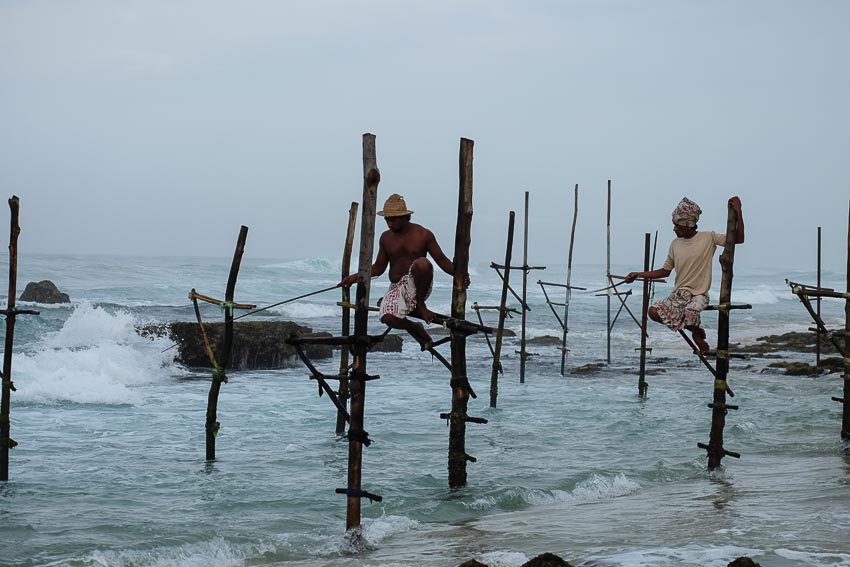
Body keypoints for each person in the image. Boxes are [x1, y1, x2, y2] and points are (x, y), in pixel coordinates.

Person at [341, 193, 470, 349]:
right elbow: (378, 268)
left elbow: (442, 260)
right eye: (387, 220)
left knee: (422, 263)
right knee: (387, 317)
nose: (389, 223)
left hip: (419, 284)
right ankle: (414, 327)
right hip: (397, 287)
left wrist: (460, 276)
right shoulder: (385, 238)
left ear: (404, 217)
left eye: (393, 220)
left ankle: (421, 305)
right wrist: (354, 278)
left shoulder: (423, 234)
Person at [624, 196, 744, 354]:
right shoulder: (675, 244)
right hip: (679, 295)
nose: (674, 229)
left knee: (691, 311)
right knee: (653, 312)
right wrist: (639, 274)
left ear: (689, 225)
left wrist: (738, 211)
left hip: (698, 294)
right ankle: (695, 329)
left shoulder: (709, 237)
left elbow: (739, 239)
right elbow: (665, 271)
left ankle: (697, 336)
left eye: (677, 225)